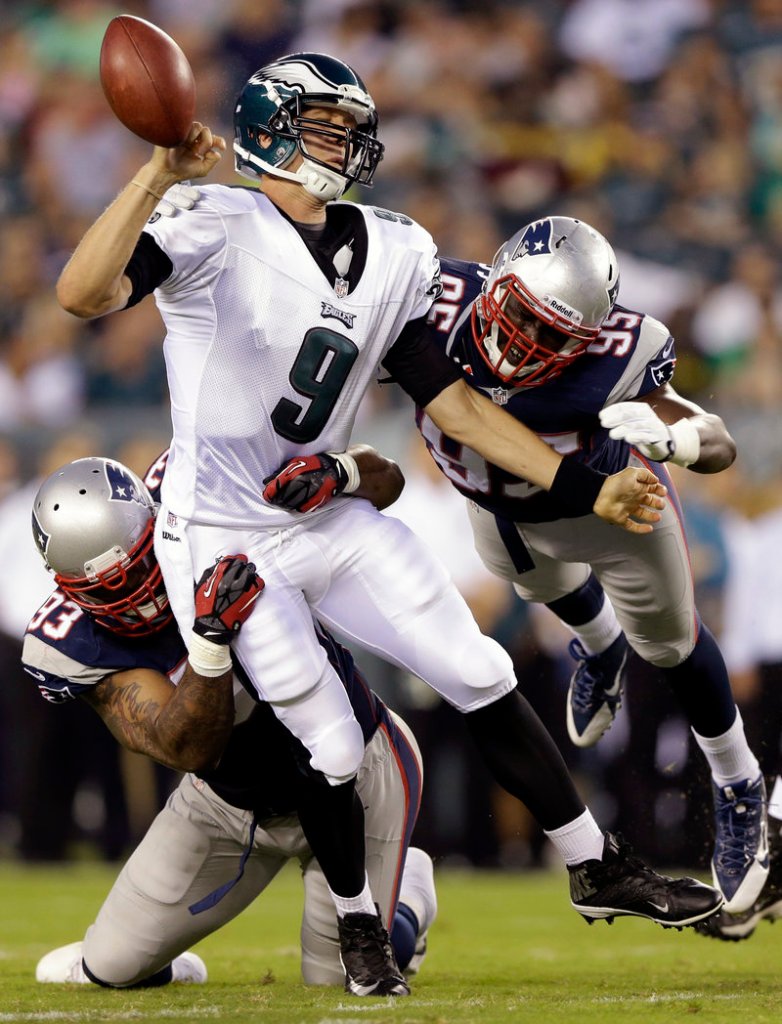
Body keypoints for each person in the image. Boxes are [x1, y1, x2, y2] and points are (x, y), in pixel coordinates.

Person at [55, 52, 710, 993]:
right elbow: (83, 294)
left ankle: (593, 863)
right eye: (327, 122)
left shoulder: (394, 245)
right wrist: (159, 168)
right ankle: (361, 928)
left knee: (479, 667)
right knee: (328, 741)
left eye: (351, 122)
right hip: (222, 538)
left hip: (321, 514)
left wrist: (579, 486)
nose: (349, 139)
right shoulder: (211, 220)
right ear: (274, 128)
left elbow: (454, 405)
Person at [367, 214, 762, 916]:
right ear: (495, 283)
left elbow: (718, 441)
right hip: (498, 508)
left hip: (614, 510)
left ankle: (738, 781)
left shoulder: (623, 353)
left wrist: (676, 442)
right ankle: (600, 648)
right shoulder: (435, 294)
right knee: (535, 580)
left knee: (670, 643)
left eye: (557, 337)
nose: (528, 342)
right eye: (523, 315)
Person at [25, 455, 436, 990]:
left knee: (340, 977)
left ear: (156, 522)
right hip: (224, 800)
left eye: (135, 570)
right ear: (68, 589)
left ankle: (407, 904)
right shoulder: (72, 643)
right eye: (105, 592)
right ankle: (167, 961)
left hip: (353, 774)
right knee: (110, 966)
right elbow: (187, 749)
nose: (135, 600)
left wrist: (336, 473)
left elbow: (385, 484)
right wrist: (211, 643)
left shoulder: (205, 489)